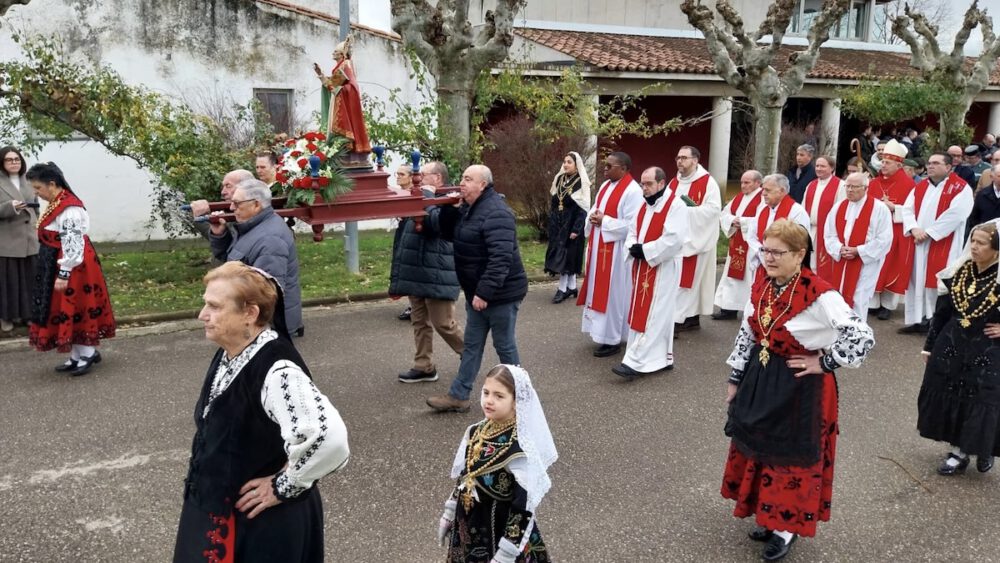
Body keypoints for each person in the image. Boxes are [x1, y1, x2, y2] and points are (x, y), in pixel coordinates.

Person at [173, 262, 349, 562]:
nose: (202, 315)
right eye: (205, 304)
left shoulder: (278, 370)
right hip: (219, 511)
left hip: (260, 528)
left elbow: (329, 439)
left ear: (250, 314)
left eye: (214, 307)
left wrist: (283, 485)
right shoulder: (233, 349)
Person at [722, 219, 875, 562]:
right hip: (762, 375)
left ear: (800, 254)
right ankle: (768, 514)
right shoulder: (764, 283)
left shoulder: (819, 293)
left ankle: (785, 527)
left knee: (790, 455)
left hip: (801, 386)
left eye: (778, 252)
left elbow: (862, 337)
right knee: (761, 444)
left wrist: (825, 362)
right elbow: (750, 332)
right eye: (765, 250)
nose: (769, 258)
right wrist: (735, 379)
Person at [426, 165, 528, 413]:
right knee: (472, 345)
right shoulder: (469, 209)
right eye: (462, 178)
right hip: (478, 292)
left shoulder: (497, 213)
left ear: (483, 185)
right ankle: (459, 396)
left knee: (504, 345)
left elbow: (500, 259)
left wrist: (484, 293)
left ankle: (523, 397)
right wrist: (449, 210)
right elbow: (449, 234)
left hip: (501, 293)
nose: (461, 183)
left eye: (468, 179)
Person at [438, 364, 556, 563]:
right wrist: (449, 513)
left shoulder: (519, 449)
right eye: (486, 392)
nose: (489, 401)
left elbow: (523, 506)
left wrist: (507, 553)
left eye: (499, 396)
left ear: (516, 401)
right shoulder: (476, 431)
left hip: (499, 528)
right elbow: (466, 477)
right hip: (469, 521)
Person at [918, 221, 1000, 476]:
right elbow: (941, 314)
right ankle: (958, 450)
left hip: (988, 350)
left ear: (996, 249)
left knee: (983, 398)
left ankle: (983, 448)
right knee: (952, 392)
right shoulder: (958, 272)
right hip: (953, 345)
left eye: (982, 243)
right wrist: (929, 347)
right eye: (973, 241)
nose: (974, 247)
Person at [24, 162, 116, 376]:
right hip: (57, 262)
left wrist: (64, 272)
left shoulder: (70, 209)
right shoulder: (56, 202)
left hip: (74, 265)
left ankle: (88, 353)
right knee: (63, 308)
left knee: (75, 307)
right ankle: (77, 354)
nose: (36, 193)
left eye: (38, 188)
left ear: (52, 184)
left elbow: (73, 245)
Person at [389, 162, 464, 384]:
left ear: (438, 178)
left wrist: (428, 198)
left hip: (436, 269)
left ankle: (470, 356)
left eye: (423, 174)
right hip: (416, 268)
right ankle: (424, 366)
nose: (417, 178)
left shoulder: (449, 199)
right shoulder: (420, 196)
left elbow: (435, 225)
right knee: (419, 320)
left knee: (444, 322)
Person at [610, 167, 688, 379]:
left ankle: (635, 362)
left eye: (648, 184)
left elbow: (675, 239)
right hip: (642, 267)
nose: (644, 188)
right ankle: (662, 358)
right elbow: (633, 232)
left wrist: (646, 250)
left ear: (661, 183)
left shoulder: (676, 206)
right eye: (642, 184)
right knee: (646, 312)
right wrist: (633, 246)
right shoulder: (643, 206)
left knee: (654, 314)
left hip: (663, 268)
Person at [209, 179, 304, 337]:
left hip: (267, 329)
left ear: (256, 205)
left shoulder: (270, 239)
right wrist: (220, 235)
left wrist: (254, 331)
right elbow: (230, 260)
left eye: (237, 203)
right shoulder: (252, 227)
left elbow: (266, 294)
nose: (232, 208)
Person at [899, 152, 974, 333]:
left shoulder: (960, 188)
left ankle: (935, 323)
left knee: (937, 282)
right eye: (929, 163)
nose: (930, 166)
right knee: (917, 281)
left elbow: (957, 214)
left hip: (942, 243)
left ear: (948, 167)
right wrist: (914, 228)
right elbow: (907, 209)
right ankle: (918, 320)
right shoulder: (921, 186)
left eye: (936, 163)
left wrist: (930, 232)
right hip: (918, 241)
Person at [577, 152, 644, 357]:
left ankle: (612, 338)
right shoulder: (606, 186)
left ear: (623, 168)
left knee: (613, 296)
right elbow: (595, 210)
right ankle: (599, 332)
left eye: (609, 166)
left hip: (616, 254)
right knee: (598, 289)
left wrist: (604, 221)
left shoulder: (633, 191)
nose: (604, 169)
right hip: (599, 247)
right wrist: (593, 217)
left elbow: (634, 226)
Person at [823, 172, 893, 321]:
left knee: (859, 298)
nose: (849, 190)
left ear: (865, 188)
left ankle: (857, 336)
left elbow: (884, 238)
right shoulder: (838, 207)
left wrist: (858, 251)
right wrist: (839, 248)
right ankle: (839, 332)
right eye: (847, 186)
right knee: (838, 295)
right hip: (841, 260)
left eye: (854, 187)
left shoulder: (879, 209)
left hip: (865, 263)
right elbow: (829, 234)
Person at [669, 146, 722, 333]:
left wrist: (686, 211)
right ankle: (690, 319)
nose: (679, 161)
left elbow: (714, 210)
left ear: (695, 160)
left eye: (684, 157)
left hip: (697, 238)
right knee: (679, 281)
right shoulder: (674, 182)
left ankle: (676, 320)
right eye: (678, 157)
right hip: (678, 239)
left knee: (688, 282)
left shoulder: (708, 182)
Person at [866, 139, 916, 321]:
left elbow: (913, 210)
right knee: (874, 266)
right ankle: (873, 303)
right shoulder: (873, 183)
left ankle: (887, 305)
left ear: (898, 164)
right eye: (882, 161)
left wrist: (894, 208)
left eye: (887, 162)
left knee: (891, 267)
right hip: (875, 231)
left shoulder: (908, 184)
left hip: (896, 231)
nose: (883, 165)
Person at [714, 170, 765, 320]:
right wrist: (732, 221)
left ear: (757, 183)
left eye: (747, 182)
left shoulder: (762, 198)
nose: (743, 185)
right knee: (731, 276)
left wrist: (741, 221)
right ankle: (728, 308)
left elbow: (762, 219)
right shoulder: (739, 197)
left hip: (750, 245)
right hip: (737, 241)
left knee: (748, 278)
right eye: (742, 182)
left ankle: (748, 309)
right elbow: (724, 213)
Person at [314, 36, 371, 161]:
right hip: (338, 99)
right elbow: (332, 86)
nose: (333, 53)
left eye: (335, 52)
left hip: (343, 100)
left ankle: (347, 150)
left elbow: (352, 86)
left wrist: (342, 90)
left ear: (342, 54)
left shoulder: (346, 65)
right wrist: (320, 74)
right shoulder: (340, 66)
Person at [0, 146, 38, 333]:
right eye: (9, 159)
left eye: (17, 159)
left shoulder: (29, 181)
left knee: (29, 280)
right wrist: (10, 206)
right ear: (2, 162)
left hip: (29, 239)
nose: (14, 162)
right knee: (10, 282)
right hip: (7, 240)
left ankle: (29, 315)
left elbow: (35, 207)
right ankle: (7, 317)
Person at [545, 152, 591, 304]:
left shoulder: (581, 182)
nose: (565, 164)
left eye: (569, 162)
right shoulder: (560, 179)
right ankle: (571, 286)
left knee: (567, 256)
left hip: (572, 224)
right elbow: (554, 202)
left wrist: (577, 229)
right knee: (562, 255)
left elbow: (583, 208)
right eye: (564, 161)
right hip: (558, 224)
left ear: (576, 166)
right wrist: (551, 222)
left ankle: (562, 289)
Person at [744, 174, 810, 280]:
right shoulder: (762, 210)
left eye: (768, 190)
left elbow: (799, 242)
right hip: (763, 264)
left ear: (781, 191)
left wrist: (772, 253)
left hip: (785, 266)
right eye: (763, 190)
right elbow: (751, 237)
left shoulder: (797, 212)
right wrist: (762, 252)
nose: (763, 194)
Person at [801, 155, 845, 284]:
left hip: (827, 232)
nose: (819, 169)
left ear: (832, 168)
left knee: (822, 265)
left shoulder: (840, 186)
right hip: (810, 230)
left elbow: (840, 211)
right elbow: (803, 207)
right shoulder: (811, 184)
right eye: (817, 166)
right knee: (809, 261)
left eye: (823, 166)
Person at [966, 164, 1000, 240]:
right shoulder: (982, 195)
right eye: (999, 176)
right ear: (992, 177)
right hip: (985, 237)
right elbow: (974, 218)